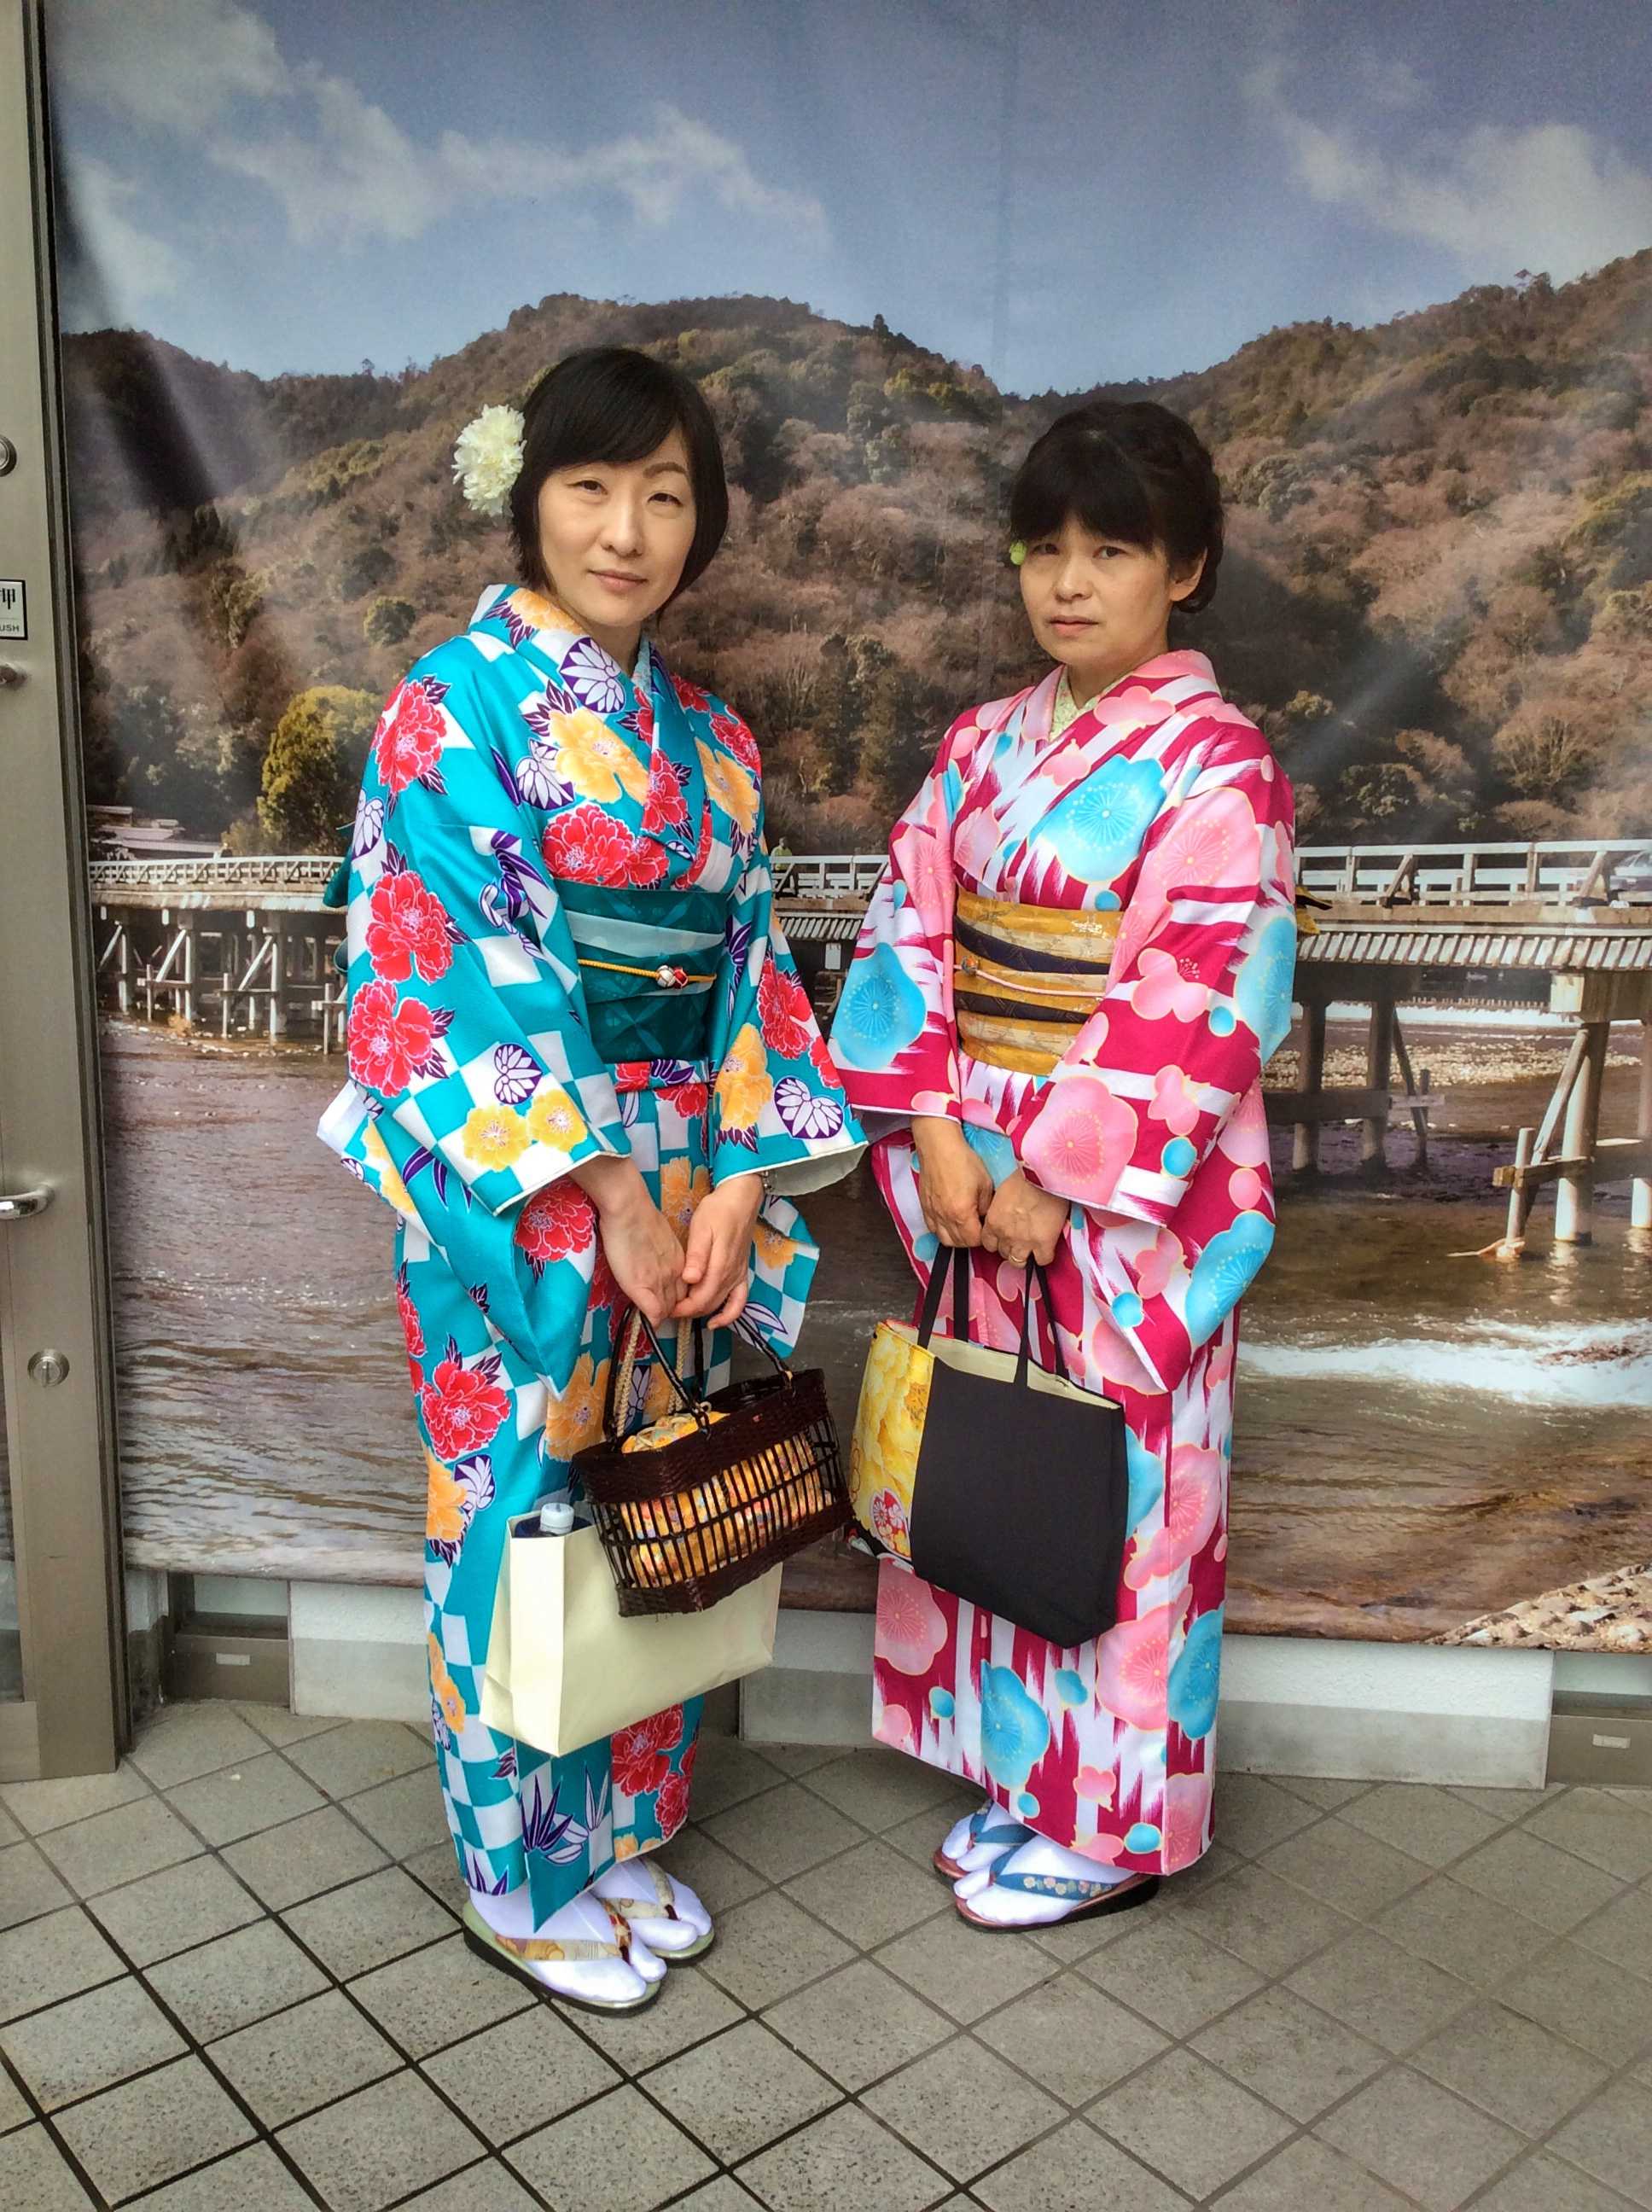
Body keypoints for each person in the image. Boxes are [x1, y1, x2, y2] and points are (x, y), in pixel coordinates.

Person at [320, 346, 862, 2009]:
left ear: (703, 523)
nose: (626, 530)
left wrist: (735, 1188)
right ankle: (513, 1868)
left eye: (664, 495)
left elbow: (754, 971)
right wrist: (611, 1196)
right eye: (591, 487)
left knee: (653, 1500)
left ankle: (622, 1828)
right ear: (528, 499)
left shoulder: (713, 743)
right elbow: (454, 969)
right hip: (536, 1185)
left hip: (687, 1172)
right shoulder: (453, 705)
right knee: (518, 1499)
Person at [831, 399, 1295, 1929]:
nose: (1070, 582)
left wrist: (1055, 1177)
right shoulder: (980, 746)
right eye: (1045, 550)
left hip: (1118, 1195)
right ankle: (1025, 1776)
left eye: (1111, 551)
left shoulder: (1222, 768)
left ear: (1187, 567)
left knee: (1130, 1483)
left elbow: (1205, 992)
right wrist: (939, 1133)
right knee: (993, 1452)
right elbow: (910, 928)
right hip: (971, 1156)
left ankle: (1116, 1826)